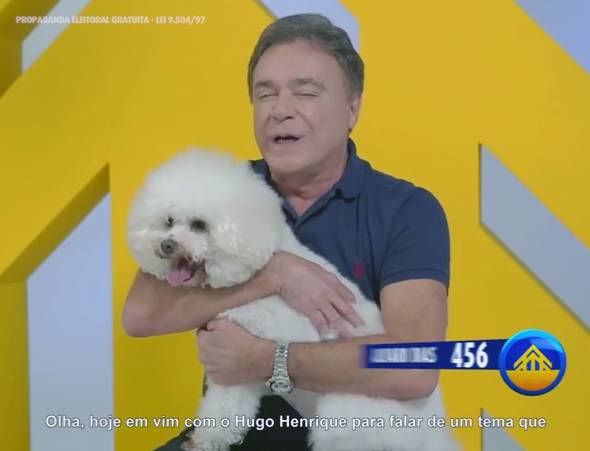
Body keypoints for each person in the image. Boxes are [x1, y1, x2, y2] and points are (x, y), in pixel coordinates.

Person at [123, 14, 450, 451]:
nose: (280, 110)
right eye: (265, 94)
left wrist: (264, 359)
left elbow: (414, 367)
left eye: (306, 92)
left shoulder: (406, 210)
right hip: (233, 436)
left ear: (352, 109)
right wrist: (276, 274)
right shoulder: (217, 191)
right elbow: (140, 316)